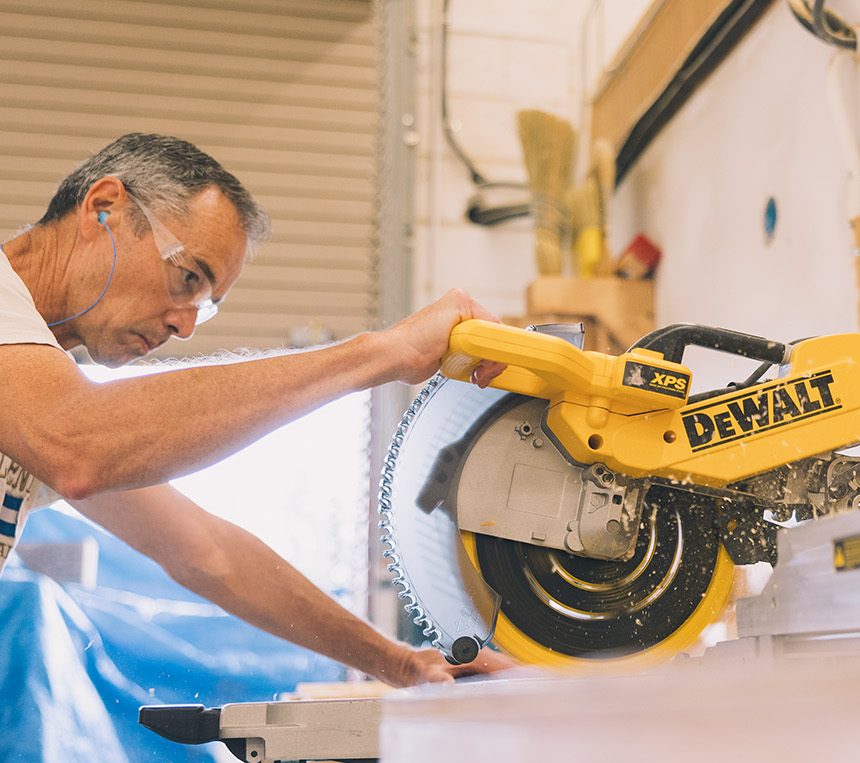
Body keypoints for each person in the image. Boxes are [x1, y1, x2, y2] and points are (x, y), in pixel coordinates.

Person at [0, 132, 509, 687]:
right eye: (188, 278)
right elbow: (78, 446)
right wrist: (381, 352)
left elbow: (207, 552)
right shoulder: (54, 410)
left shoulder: (34, 387)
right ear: (104, 209)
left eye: (204, 306)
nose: (185, 325)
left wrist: (399, 662)